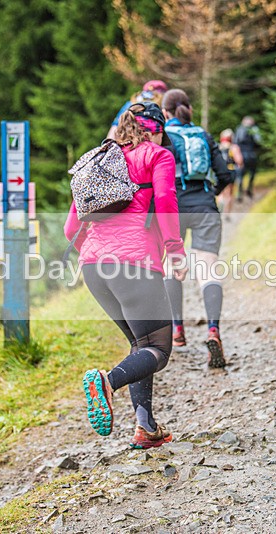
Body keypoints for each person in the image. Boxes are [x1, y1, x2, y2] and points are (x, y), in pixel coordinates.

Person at [66, 102, 188, 449]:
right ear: (157, 130)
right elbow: (164, 200)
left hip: (93, 267)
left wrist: (97, 257)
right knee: (158, 349)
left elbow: (70, 227)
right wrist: (175, 251)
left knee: (140, 344)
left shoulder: (99, 159)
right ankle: (107, 382)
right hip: (133, 263)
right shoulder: (156, 156)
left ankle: (146, 427)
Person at [160, 89, 234, 368]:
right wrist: (208, 193)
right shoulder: (204, 135)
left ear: (166, 112)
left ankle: (177, 330)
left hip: (172, 211)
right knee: (208, 270)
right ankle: (213, 330)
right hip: (204, 206)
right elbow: (226, 174)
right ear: (188, 109)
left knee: (172, 268)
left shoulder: (163, 136)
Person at [233, 116, 262, 199]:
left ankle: (239, 193)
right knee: (252, 173)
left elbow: (235, 143)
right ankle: (249, 189)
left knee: (240, 174)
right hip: (251, 154)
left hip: (241, 154)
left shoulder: (239, 129)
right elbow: (259, 141)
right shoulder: (254, 129)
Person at [217, 128, 244, 216]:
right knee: (229, 193)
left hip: (219, 171)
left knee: (220, 191)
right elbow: (239, 161)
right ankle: (227, 213)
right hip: (230, 171)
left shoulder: (218, 147)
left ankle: (219, 206)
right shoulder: (233, 148)